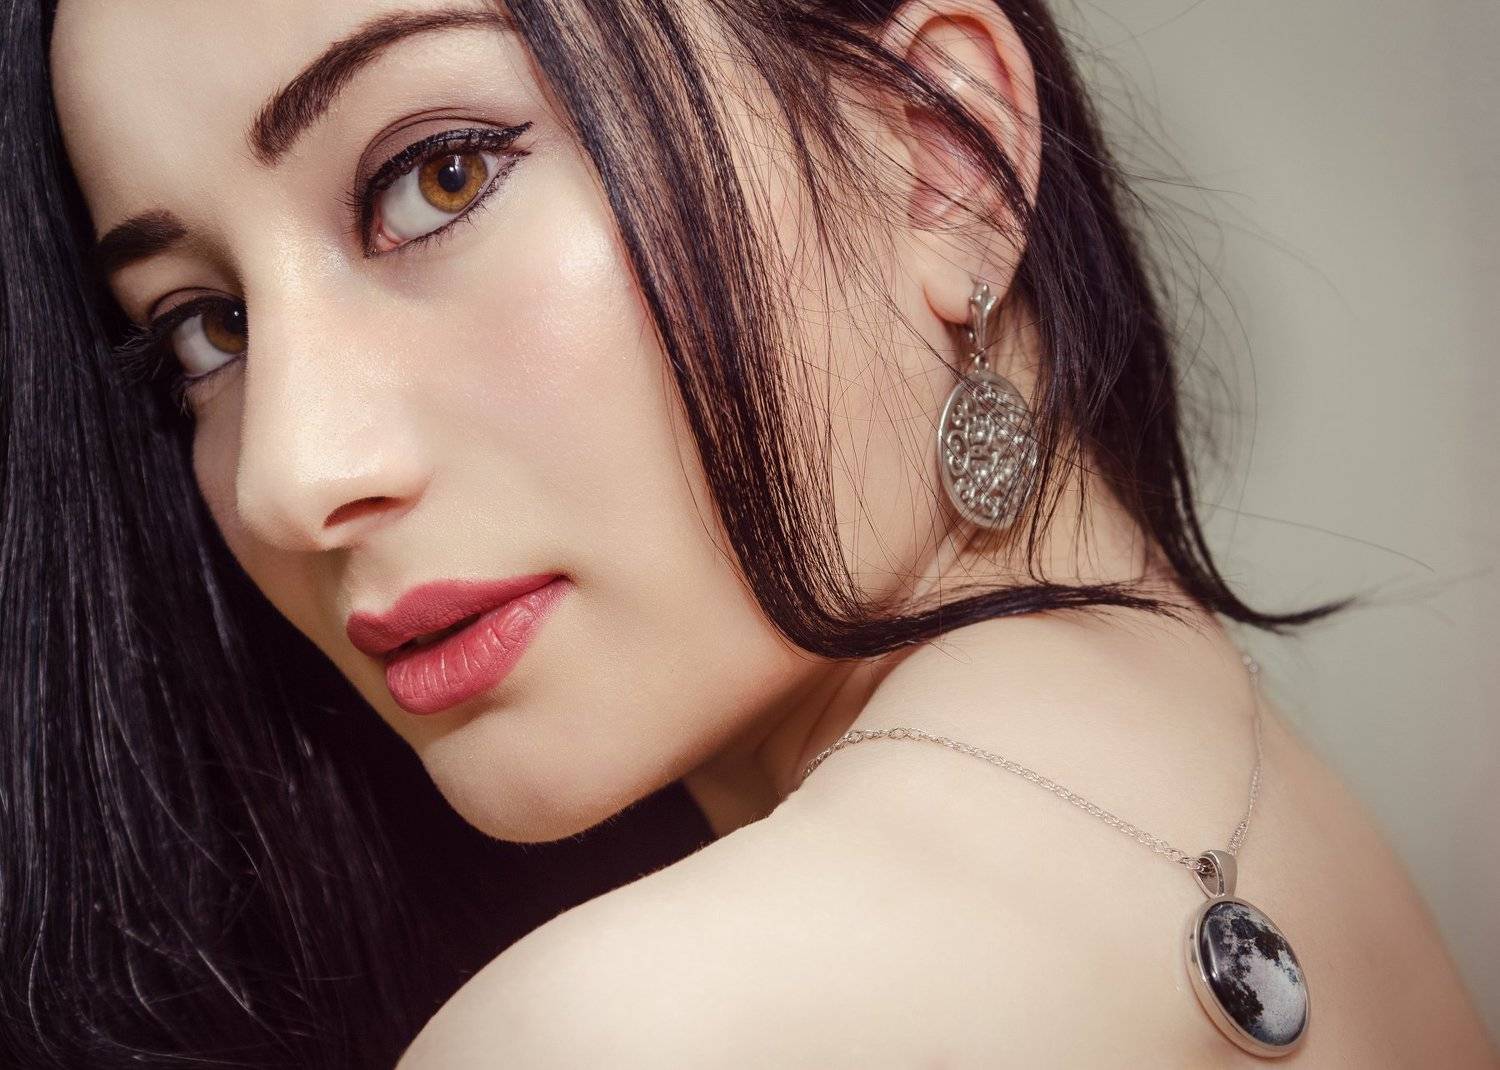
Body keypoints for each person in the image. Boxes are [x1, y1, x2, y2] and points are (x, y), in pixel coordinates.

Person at [6, 0, 1493, 1065]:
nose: (287, 476)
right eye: (204, 328)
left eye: (436, 176)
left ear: (938, 153)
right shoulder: (1275, 813)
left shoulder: (631, 1030)